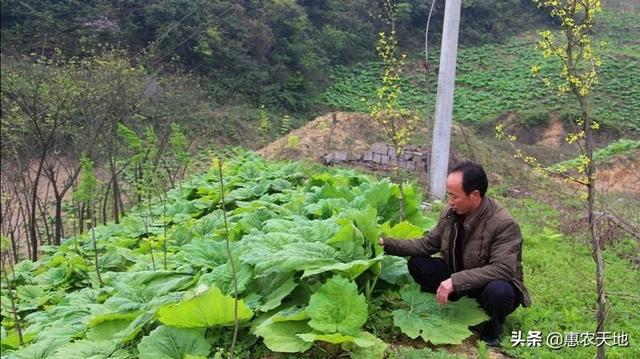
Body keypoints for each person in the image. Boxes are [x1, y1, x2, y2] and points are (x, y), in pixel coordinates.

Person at [379, 161, 530, 347]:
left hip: (486, 286)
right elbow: (426, 245)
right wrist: (385, 243)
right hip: (460, 281)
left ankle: (492, 329)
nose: (450, 201)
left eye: (454, 196)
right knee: (418, 263)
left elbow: (503, 269)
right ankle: (449, 309)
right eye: (448, 195)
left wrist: (455, 281)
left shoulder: (503, 224)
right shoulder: (450, 214)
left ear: (475, 195)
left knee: (499, 291)